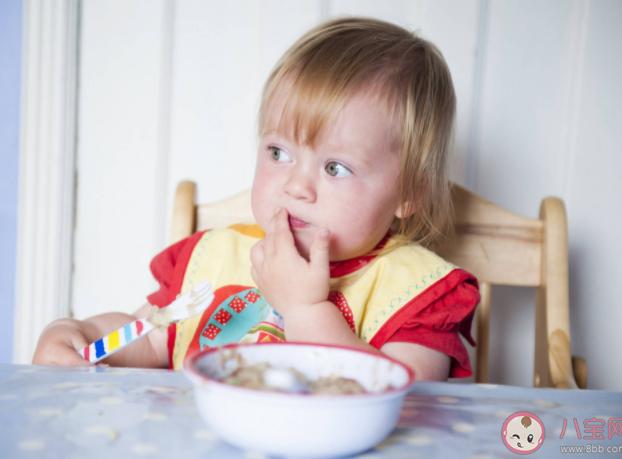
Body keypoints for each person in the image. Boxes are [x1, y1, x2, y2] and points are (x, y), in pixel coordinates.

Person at [33, 17, 480, 381]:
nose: (296, 187)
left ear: (409, 193)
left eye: (334, 167)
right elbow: (150, 337)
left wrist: (305, 310)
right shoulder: (212, 258)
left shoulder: (418, 294)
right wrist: (79, 334)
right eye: (279, 153)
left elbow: (404, 398)